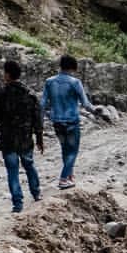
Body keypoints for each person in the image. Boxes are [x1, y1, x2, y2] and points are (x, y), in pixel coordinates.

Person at [0, 59, 44, 214]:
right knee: (29, 165)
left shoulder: (0, 94)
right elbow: (37, 118)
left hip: (8, 138)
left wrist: (2, 128)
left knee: (12, 171)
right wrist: (39, 138)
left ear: (7, 74)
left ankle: (17, 204)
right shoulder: (30, 94)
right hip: (26, 137)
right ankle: (36, 193)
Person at [42, 54, 95, 190]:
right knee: (73, 152)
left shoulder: (49, 81)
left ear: (60, 65)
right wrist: (96, 111)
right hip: (71, 121)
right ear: (73, 67)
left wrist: (40, 121)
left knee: (65, 150)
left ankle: (70, 176)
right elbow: (85, 103)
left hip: (56, 121)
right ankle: (63, 179)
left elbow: (42, 104)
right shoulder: (75, 82)